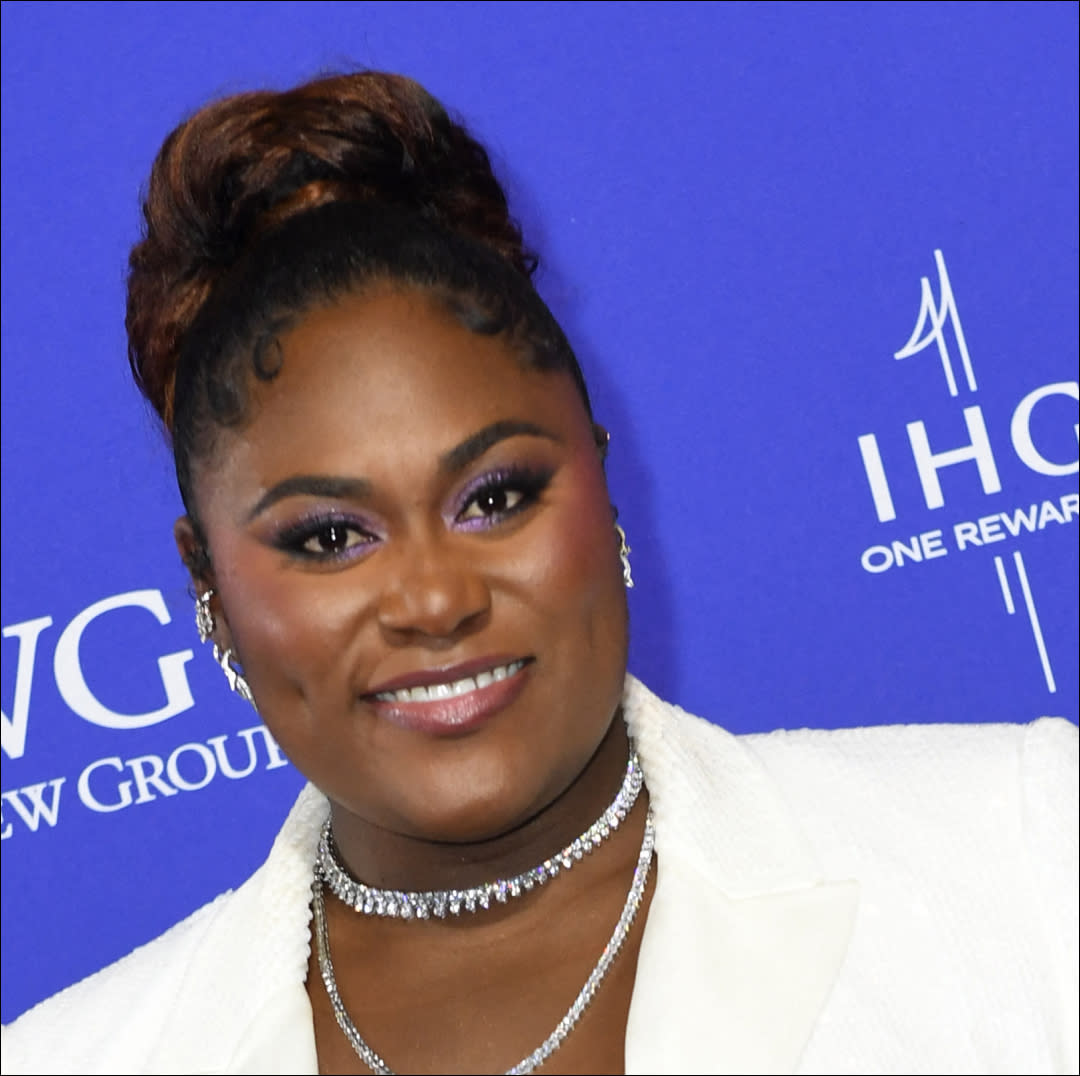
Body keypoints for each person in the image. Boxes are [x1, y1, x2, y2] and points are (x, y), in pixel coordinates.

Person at [1, 70, 1076, 1076]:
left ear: (603, 481)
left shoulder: (1021, 853)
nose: (435, 597)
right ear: (211, 591)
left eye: (496, 495)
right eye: (329, 537)